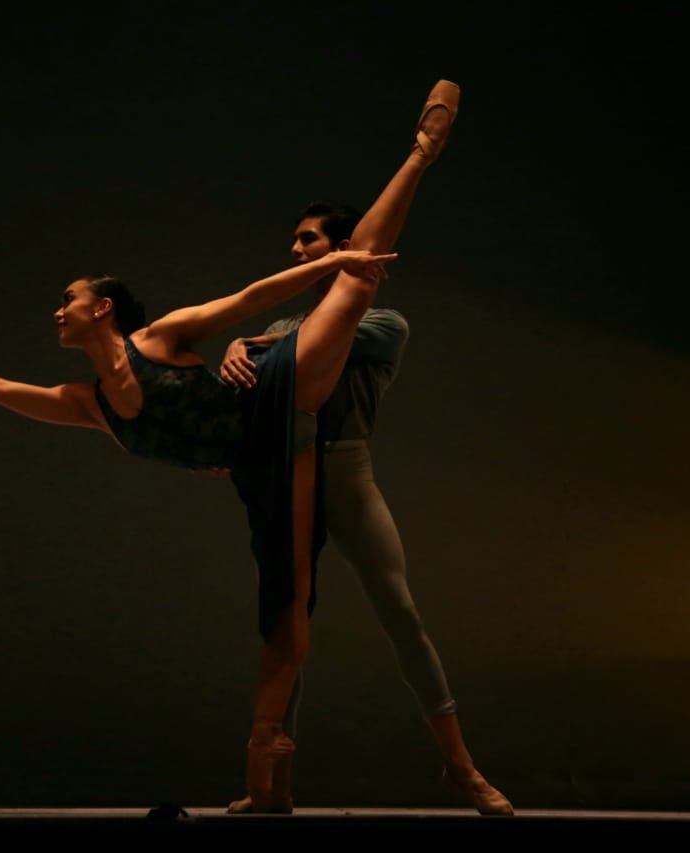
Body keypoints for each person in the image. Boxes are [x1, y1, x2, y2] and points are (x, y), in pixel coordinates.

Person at [0, 80, 466, 814]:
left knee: (357, 285)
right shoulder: (90, 405)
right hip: (260, 467)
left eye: (68, 300)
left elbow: (248, 299)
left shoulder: (161, 338)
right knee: (283, 605)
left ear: (102, 306)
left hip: (278, 413)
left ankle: (421, 153)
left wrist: (325, 270)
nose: (58, 311)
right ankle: (267, 774)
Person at [217, 202, 514, 816]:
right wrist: (235, 351)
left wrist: (251, 342)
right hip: (288, 473)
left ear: (343, 247)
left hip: (345, 472)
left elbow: (317, 343)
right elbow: (264, 376)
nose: (296, 250)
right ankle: (274, 786)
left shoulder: (384, 323)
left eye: (308, 240)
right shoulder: (282, 325)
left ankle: (461, 768)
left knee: (400, 612)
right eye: (295, 240)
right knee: (286, 622)